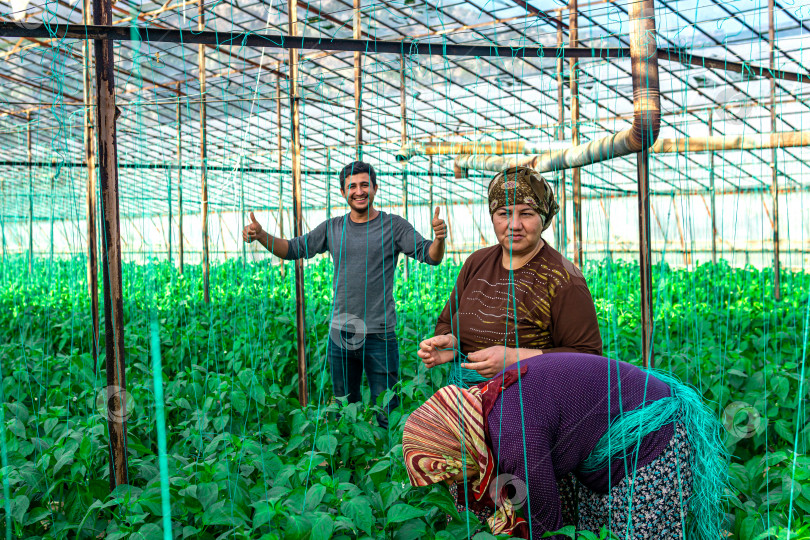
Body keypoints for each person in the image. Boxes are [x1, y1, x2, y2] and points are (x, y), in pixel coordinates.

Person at [401, 352, 728, 539]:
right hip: (607, 439)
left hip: (651, 436)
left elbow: (544, 522)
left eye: (449, 474)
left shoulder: (513, 438)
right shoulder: (483, 409)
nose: (453, 483)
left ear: (457, 448)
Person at [243, 161, 446, 427]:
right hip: (342, 333)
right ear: (343, 192)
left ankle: (387, 462)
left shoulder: (393, 226)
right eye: (352, 186)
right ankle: (346, 463)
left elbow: (430, 256)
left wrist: (440, 239)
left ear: (375, 188)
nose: (358, 191)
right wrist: (261, 236)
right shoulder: (333, 228)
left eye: (364, 185)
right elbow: (292, 249)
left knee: (387, 409)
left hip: (380, 334)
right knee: (342, 409)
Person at [418, 166, 602, 380]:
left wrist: (516, 358)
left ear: (543, 218)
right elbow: (445, 322)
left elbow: (589, 357)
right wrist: (452, 341)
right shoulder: (477, 262)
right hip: (465, 396)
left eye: (526, 213)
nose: (514, 225)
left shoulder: (564, 278)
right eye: (504, 213)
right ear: (493, 216)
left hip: (531, 401)